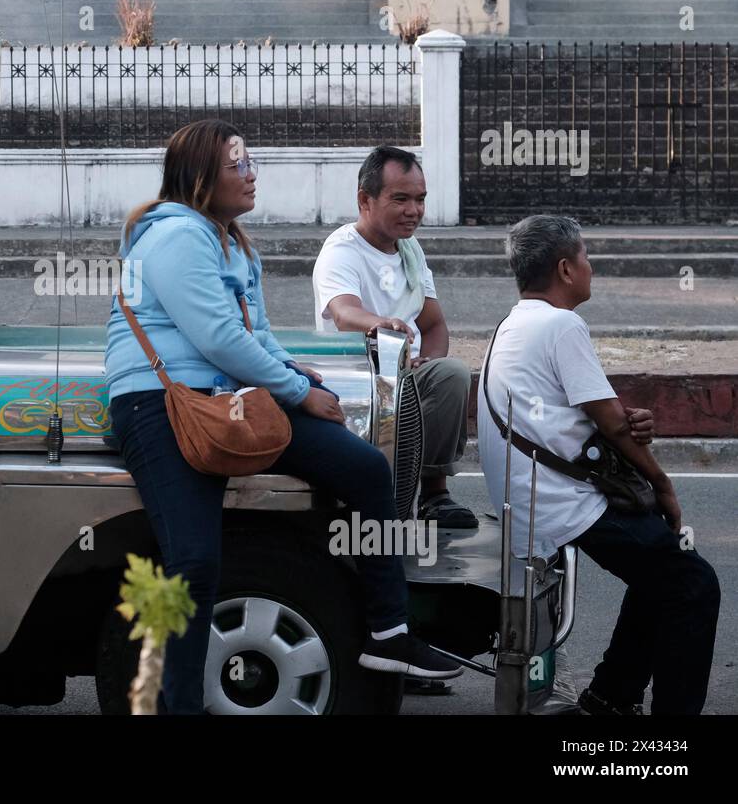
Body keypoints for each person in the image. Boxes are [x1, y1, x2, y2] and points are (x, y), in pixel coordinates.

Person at [105, 119, 461, 714]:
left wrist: (295, 371)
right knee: (193, 562)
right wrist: (297, 392)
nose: (251, 176)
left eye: (251, 163)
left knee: (366, 471)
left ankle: (388, 634)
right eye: (237, 166)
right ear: (200, 178)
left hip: (231, 401)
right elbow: (217, 337)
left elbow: (257, 334)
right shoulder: (176, 237)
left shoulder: (231, 241)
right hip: (163, 405)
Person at [478, 215, 720, 715]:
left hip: (531, 495)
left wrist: (627, 422)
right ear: (566, 269)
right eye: (585, 256)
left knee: (662, 575)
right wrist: (662, 482)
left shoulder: (514, 322)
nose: (591, 266)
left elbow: (592, 415)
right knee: (693, 585)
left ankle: (611, 696)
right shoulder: (562, 324)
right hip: (558, 503)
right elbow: (611, 425)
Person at [312, 145, 478, 528]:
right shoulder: (342, 250)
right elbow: (343, 311)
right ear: (365, 200)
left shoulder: (410, 251)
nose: (414, 211)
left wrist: (428, 361)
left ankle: (435, 495)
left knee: (450, 373)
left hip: (406, 374)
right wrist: (379, 324)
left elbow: (434, 325)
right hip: (361, 380)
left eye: (420, 200)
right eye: (400, 199)